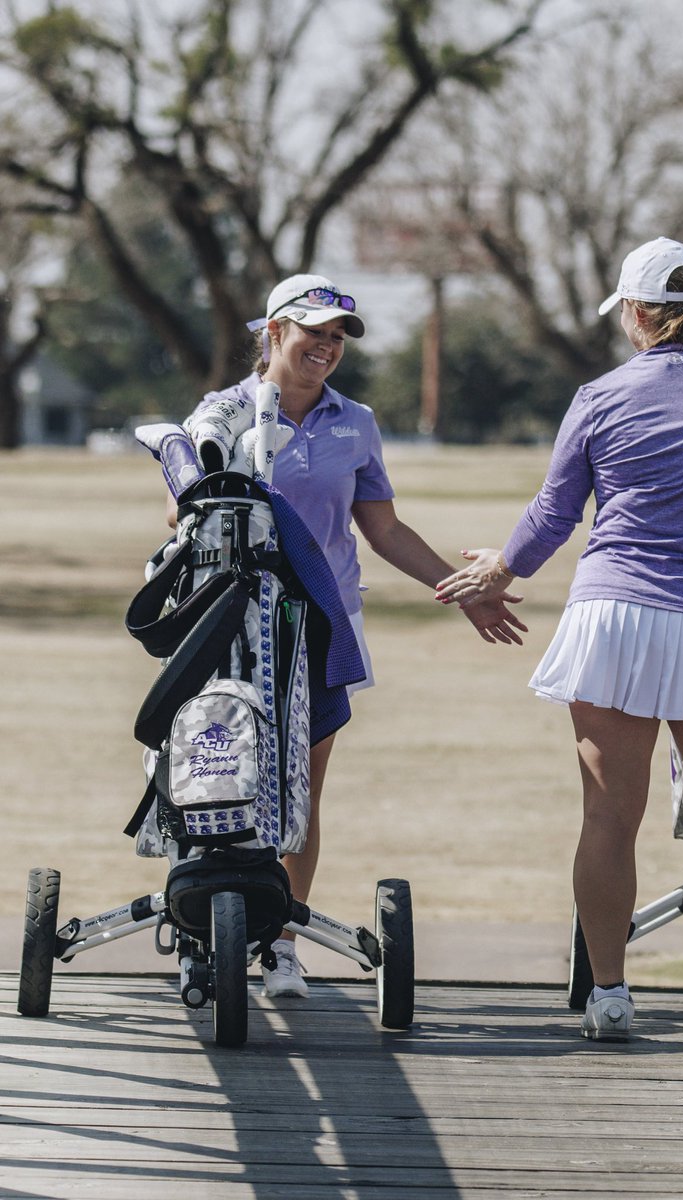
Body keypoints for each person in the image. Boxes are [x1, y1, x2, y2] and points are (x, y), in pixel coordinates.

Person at [435, 237, 683, 1040]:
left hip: (614, 618)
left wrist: (502, 568)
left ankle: (609, 995)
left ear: (636, 314)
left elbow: (555, 512)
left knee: (609, 815)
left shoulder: (600, 395)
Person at [176, 273, 526, 998]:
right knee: (213, 774)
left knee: (299, 789)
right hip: (228, 625)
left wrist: (461, 591)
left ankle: (282, 946)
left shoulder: (355, 422)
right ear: (273, 333)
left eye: (337, 339)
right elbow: (184, 522)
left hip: (321, 624)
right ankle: (198, 935)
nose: (327, 349)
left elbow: (385, 529)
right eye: (313, 334)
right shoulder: (222, 415)